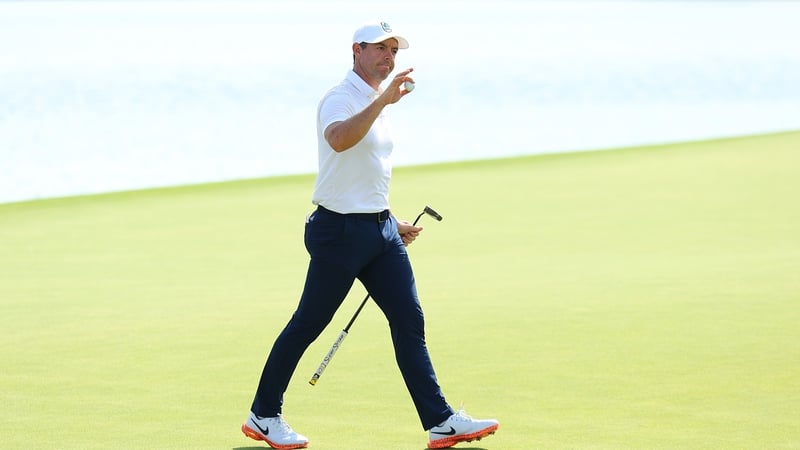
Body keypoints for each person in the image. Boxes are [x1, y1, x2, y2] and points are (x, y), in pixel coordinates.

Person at [241, 20, 499, 449]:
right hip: (338, 231)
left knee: (409, 320)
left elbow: (366, 173)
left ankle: (440, 421)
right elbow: (340, 141)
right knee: (309, 323)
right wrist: (382, 104)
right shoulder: (340, 98)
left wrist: (390, 218)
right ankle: (263, 414)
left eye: (394, 50)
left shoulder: (375, 101)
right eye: (381, 48)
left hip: (379, 230)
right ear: (357, 50)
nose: (389, 57)